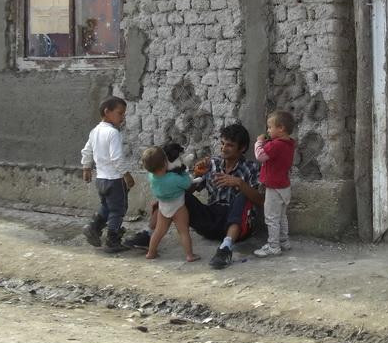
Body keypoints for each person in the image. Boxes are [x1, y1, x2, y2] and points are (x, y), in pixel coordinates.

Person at [123, 123, 263, 270]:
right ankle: (148, 235)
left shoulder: (251, 168)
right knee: (173, 194)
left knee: (242, 196)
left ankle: (225, 249)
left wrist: (240, 183)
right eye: (222, 143)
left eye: (230, 145)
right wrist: (196, 175)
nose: (223, 148)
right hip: (210, 218)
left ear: (242, 148)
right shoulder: (213, 164)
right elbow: (187, 190)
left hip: (237, 224)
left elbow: (261, 201)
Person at [81, 96, 136, 253]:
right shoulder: (113, 133)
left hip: (101, 179)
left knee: (107, 205)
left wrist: (86, 168)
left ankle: (93, 227)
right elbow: (116, 158)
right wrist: (127, 175)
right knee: (118, 209)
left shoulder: (95, 131)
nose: (123, 117)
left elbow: (87, 150)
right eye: (120, 113)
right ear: (107, 112)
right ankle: (112, 240)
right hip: (115, 180)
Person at [140, 146, 200, 262]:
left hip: (163, 207)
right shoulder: (173, 178)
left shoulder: (151, 177)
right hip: (178, 206)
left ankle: (151, 253)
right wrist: (183, 172)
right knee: (183, 231)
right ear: (165, 163)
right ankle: (190, 255)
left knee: (158, 231)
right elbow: (187, 184)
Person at [253, 110, 296, 257]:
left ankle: (273, 246)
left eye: (270, 127)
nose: (268, 130)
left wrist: (259, 142)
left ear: (281, 128)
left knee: (271, 218)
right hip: (284, 186)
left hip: (274, 187)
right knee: (282, 216)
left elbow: (260, 156)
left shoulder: (275, 145)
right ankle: (284, 241)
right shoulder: (289, 143)